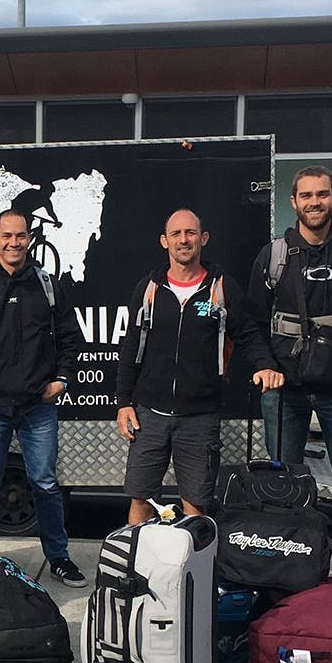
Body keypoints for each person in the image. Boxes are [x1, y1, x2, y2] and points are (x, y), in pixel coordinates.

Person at [0, 205, 86, 587]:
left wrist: (62, 380)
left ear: (30, 239)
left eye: (20, 235)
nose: (14, 243)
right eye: (6, 236)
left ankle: (59, 558)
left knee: (45, 485)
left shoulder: (48, 286)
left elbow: (71, 340)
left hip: (37, 407)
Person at [116, 209, 283, 526]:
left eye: (190, 233)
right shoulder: (148, 289)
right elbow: (131, 347)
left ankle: (196, 573)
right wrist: (124, 402)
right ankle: (136, 572)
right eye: (176, 234)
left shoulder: (222, 288)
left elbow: (248, 334)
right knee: (141, 501)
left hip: (199, 418)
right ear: (165, 241)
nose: (184, 240)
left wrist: (264, 365)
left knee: (195, 506)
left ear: (203, 239)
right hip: (149, 414)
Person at [247, 165, 332, 524]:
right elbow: (254, 323)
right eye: (306, 195)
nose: (315, 202)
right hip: (284, 391)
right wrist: (266, 367)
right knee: (282, 487)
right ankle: (290, 563)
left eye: (322, 194)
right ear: (294, 201)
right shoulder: (273, 256)